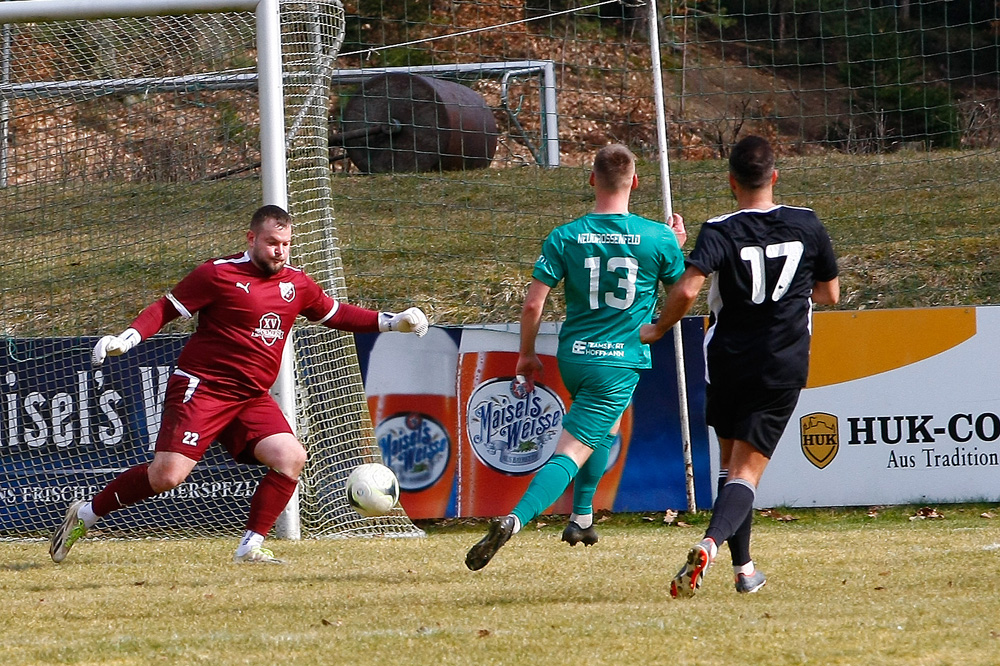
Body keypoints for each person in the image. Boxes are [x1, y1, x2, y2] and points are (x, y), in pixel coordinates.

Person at [49, 204, 429, 565]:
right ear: (251, 239)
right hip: (203, 388)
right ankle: (87, 513)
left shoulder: (296, 284)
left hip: (250, 397)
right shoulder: (217, 274)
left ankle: (251, 545)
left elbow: (336, 313)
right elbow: (165, 309)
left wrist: (392, 322)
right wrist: (128, 338)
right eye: (271, 243)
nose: (279, 252)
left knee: (290, 457)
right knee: (167, 477)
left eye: (285, 244)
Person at [465, 143, 687, 571]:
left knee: (601, 434)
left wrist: (525, 356)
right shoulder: (657, 237)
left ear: (591, 180)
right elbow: (682, 289)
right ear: (635, 182)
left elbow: (532, 306)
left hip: (575, 358)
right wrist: (673, 250)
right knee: (572, 451)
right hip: (618, 360)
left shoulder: (565, 236)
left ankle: (582, 518)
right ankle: (515, 519)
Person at [641, 135, 839, 596]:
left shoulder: (719, 228)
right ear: (774, 176)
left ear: (731, 182)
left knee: (731, 467)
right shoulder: (807, 224)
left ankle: (744, 568)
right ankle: (711, 544)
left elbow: (688, 290)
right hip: (781, 363)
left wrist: (657, 328)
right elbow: (829, 294)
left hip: (727, 361)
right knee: (746, 474)